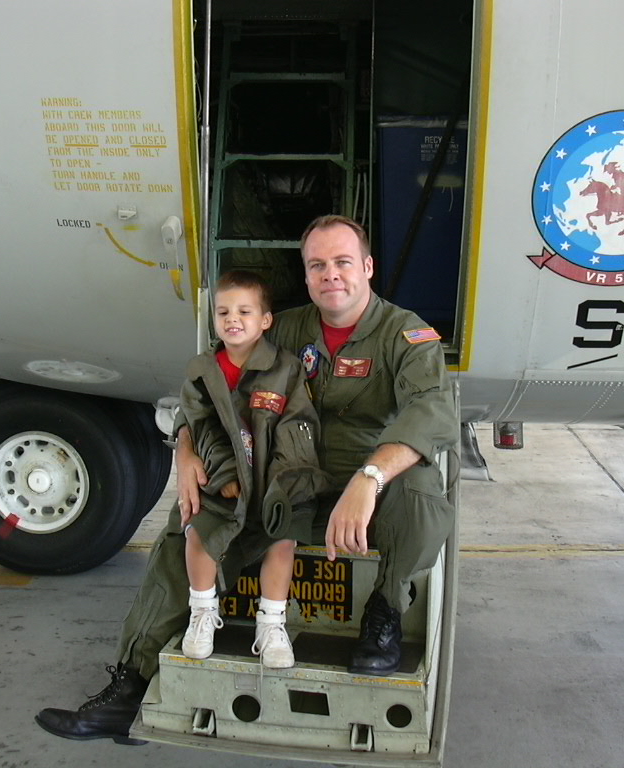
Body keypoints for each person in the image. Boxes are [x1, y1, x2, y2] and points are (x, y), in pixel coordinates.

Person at [35, 213, 456, 744]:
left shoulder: (404, 332)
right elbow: (212, 383)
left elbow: (432, 410)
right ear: (305, 276)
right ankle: (131, 683)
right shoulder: (284, 328)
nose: (332, 275)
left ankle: (386, 609)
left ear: (367, 267)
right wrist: (185, 448)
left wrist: (370, 478)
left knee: (421, 499)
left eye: (343, 262)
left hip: (365, 484)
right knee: (190, 520)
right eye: (317, 265)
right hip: (286, 478)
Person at [173, 269, 324, 668]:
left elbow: (298, 426)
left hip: (276, 485)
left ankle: (272, 624)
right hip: (225, 484)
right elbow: (200, 426)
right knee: (198, 533)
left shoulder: (286, 368)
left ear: (265, 320)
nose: (232, 320)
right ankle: (202, 612)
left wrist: (282, 483)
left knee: (283, 541)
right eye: (223, 312)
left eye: (244, 311)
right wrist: (223, 477)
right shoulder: (202, 372)